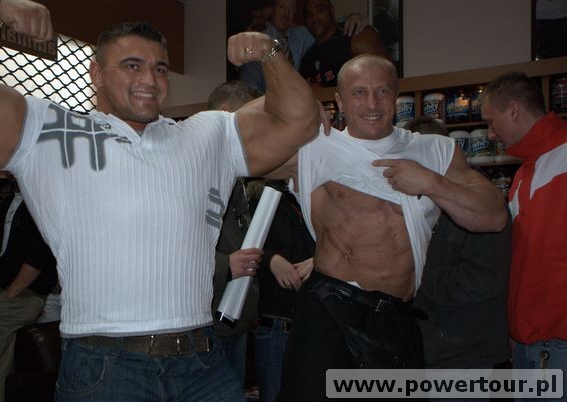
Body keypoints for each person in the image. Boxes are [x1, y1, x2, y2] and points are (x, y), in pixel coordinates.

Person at [0, 1, 320, 401]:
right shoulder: (48, 130)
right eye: (132, 66)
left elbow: (300, 120)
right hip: (106, 367)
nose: (150, 79)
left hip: (202, 360)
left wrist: (269, 51)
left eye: (160, 68)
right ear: (96, 73)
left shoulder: (207, 134)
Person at [269, 54, 507, 402]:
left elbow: (494, 217)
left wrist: (431, 182)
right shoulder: (314, 149)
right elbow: (242, 148)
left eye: (382, 92)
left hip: (398, 317)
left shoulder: (435, 151)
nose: (371, 104)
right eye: (359, 92)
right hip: (331, 312)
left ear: (395, 97)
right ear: (339, 101)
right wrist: (295, 110)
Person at [481, 71, 567, 399]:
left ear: (514, 110)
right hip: (529, 342)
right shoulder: (522, 173)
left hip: (558, 342)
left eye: (491, 122)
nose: (490, 134)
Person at [406, 117, 511, 379]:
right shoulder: (418, 199)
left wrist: (412, 283)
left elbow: (483, 278)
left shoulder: (479, 201)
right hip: (429, 347)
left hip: (462, 353)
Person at [0, 190, 57, 402]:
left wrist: (11, 294)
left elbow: (39, 256)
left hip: (20, 295)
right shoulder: (13, 200)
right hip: (5, 290)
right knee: (3, 366)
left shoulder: (37, 201)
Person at [207, 80, 263, 388]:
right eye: (252, 119)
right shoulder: (198, 168)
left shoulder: (234, 169)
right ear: (226, 114)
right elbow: (168, 246)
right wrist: (225, 264)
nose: (256, 131)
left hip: (236, 316)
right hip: (207, 320)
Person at [249, 179, 315, 402]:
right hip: (276, 322)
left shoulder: (323, 194)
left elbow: (347, 245)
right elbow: (240, 246)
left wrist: (321, 260)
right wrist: (270, 260)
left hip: (317, 320)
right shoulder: (260, 197)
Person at [239, 0, 368, 93]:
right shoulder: (257, 43)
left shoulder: (301, 35)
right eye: (281, 7)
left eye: (291, 8)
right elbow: (248, 91)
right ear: (272, 10)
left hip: (300, 107)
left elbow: (327, 25)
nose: (286, 13)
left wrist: (353, 18)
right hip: (269, 110)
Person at [300, 0, 388, 88]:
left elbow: (386, 78)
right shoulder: (307, 59)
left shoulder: (358, 36)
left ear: (332, 10)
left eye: (320, 10)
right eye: (309, 15)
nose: (314, 19)